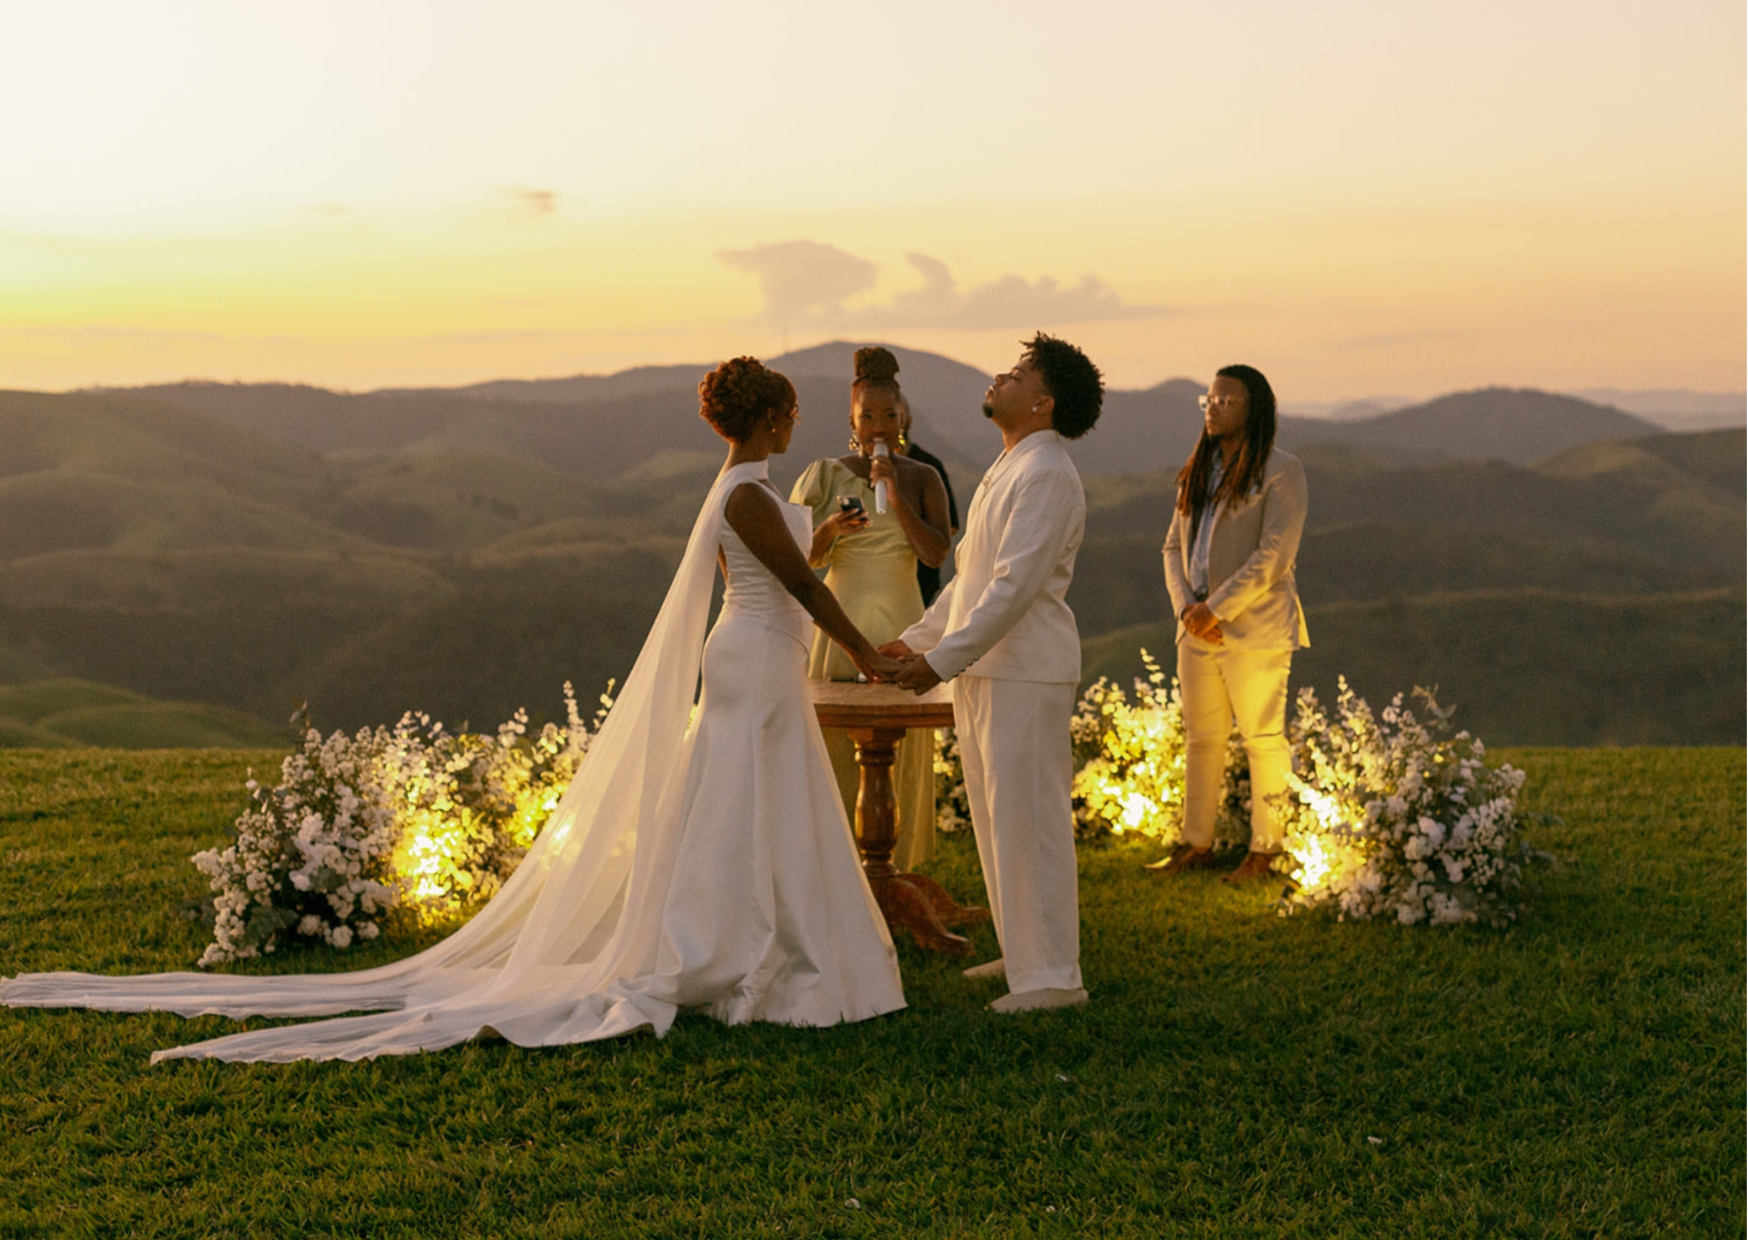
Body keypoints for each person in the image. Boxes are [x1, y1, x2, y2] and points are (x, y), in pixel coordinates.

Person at [1, 357, 908, 1062]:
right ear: (765, 417)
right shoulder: (746, 492)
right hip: (755, 659)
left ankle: (779, 943)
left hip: (764, 653)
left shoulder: (748, 495)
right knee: (745, 804)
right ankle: (744, 952)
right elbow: (786, 588)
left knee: (767, 804)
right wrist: (868, 655)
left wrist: (825, 538)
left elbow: (784, 571)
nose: (796, 423)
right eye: (788, 412)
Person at [882, 332, 1103, 1015]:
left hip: (1023, 673)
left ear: (1042, 402)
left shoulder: (1047, 474)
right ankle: (1024, 953)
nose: (998, 379)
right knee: (995, 820)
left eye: (1015, 374)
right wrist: (912, 641)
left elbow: (1013, 590)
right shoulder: (1011, 465)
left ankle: (1054, 978)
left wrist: (938, 663)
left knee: (1028, 821)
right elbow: (968, 583)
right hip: (986, 671)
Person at [791, 346, 951, 870]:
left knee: (900, 746)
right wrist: (831, 528)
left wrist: (895, 495)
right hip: (842, 619)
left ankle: (893, 869)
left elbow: (934, 553)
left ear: (903, 418)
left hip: (904, 614)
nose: (877, 425)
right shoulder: (825, 475)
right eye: (867, 416)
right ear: (851, 421)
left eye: (888, 415)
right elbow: (803, 562)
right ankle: (832, 868)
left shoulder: (924, 476)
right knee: (835, 744)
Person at [1150, 363, 1309, 882]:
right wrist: (1187, 611)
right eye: (1209, 400)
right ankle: (1196, 843)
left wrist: (1213, 609)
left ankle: (1267, 851)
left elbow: (1273, 556)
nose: (1213, 408)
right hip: (1194, 629)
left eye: (1226, 401)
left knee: (1262, 738)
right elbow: (1173, 546)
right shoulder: (1198, 468)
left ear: (1254, 409)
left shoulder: (1281, 470)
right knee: (1202, 737)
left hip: (1254, 629)